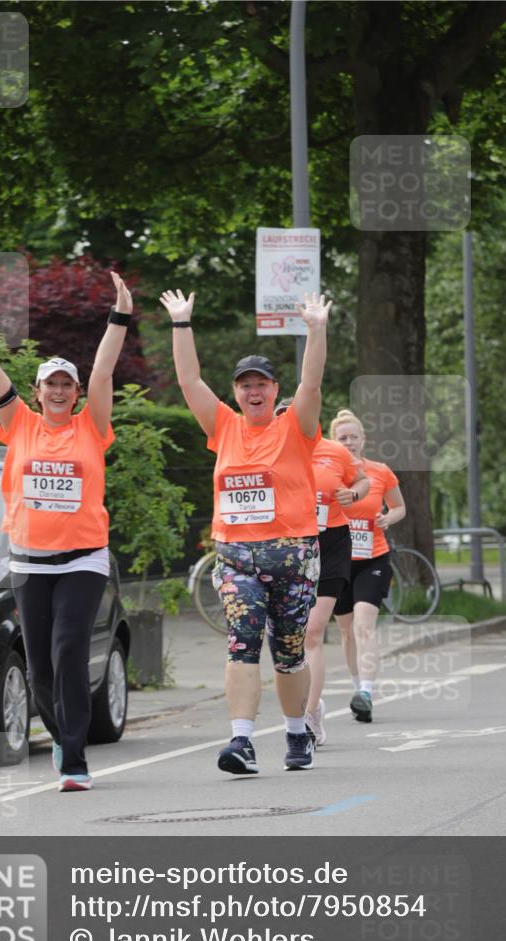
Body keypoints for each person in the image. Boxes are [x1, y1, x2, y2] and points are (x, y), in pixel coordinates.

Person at [0, 270, 132, 791]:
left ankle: (74, 758)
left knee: (69, 648)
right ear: (37, 391)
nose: (58, 390)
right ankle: (61, 736)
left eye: (65, 384)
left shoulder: (92, 426)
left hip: (82, 558)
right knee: (41, 669)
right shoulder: (19, 424)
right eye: (50, 383)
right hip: (29, 560)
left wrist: (119, 314)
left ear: (74, 393)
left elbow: (105, 371)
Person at [160, 286, 331, 774]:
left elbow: (313, 384)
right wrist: (181, 322)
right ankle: (241, 741)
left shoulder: (295, 425)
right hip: (237, 557)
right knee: (242, 642)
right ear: (235, 392)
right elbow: (188, 378)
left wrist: (316, 329)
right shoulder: (224, 427)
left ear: (275, 390)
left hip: (293, 555)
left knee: (290, 651)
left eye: (261, 385)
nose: (253, 392)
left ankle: (298, 734)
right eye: (244, 386)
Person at [329, 408, 406, 723]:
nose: (349, 442)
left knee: (364, 625)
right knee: (347, 632)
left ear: (363, 439)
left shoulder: (380, 472)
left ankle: (367, 693)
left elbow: (400, 506)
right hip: (338, 561)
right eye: (342, 438)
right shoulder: (327, 474)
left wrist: (388, 517)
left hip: (373, 557)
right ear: (334, 442)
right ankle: (357, 687)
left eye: (353, 437)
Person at [304, 428, 370, 746]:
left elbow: (363, 480)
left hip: (331, 541)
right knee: (289, 640)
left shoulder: (334, 451)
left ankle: (308, 714)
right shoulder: (270, 450)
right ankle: (309, 704)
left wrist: (353, 493)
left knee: (313, 632)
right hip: (287, 545)